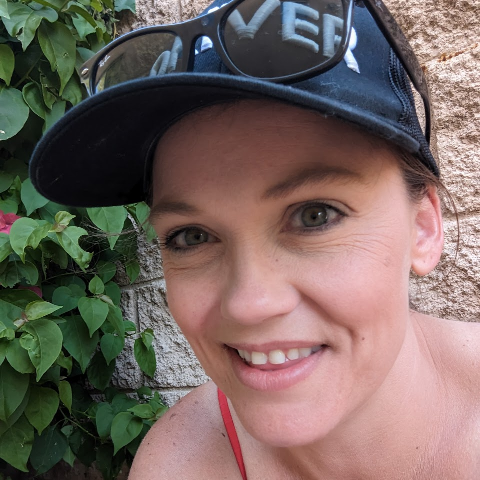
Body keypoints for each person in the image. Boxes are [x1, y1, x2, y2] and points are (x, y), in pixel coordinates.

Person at [29, 0, 480, 478]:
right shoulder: (178, 466)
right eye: (191, 236)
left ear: (423, 227)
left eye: (315, 215)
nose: (249, 305)